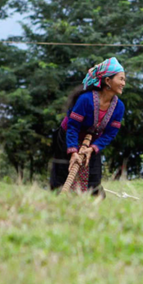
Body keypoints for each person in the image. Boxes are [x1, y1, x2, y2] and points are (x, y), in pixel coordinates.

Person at [50, 57, 126, 195]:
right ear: (108, 81)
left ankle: (92, 209)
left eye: (124, 80)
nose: (123, 83)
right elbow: (73, 126)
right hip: (68, 137)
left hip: (91, 142)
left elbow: (110, 133)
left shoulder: (119, 107)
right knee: (62, 177)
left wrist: (92, 148)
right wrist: (73, 152)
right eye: (120, 79)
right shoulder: (85, 100)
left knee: (93, 180)